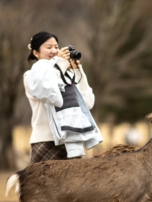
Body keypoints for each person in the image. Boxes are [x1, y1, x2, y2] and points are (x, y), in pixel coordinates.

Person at [24, 31, 102, 163]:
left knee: (74, 184)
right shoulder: (31, 75)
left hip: (71, 140)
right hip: (46, 141)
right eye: (49, 47)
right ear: (36, 53)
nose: (54, 51)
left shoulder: (66, 75)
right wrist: (59, 64)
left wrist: (77, 71)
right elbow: (50, 93)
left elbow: (88, 103)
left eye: (56, 47)